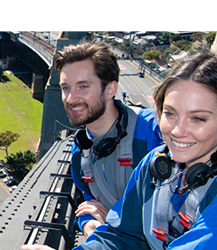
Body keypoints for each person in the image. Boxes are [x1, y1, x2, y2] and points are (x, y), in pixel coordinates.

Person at [73, 52, 217, 249]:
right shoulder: (155, 165)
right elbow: (121, 236)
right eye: (170, 114)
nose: (177, 131)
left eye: (198, 118)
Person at [54, 42, 164, 237]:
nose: (70, 98)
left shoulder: (153, 131)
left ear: (110, 90)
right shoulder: (80, 152)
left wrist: (114, 219)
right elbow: (88, 201)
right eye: (65, 88)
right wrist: (88, 223)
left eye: (83, 86)